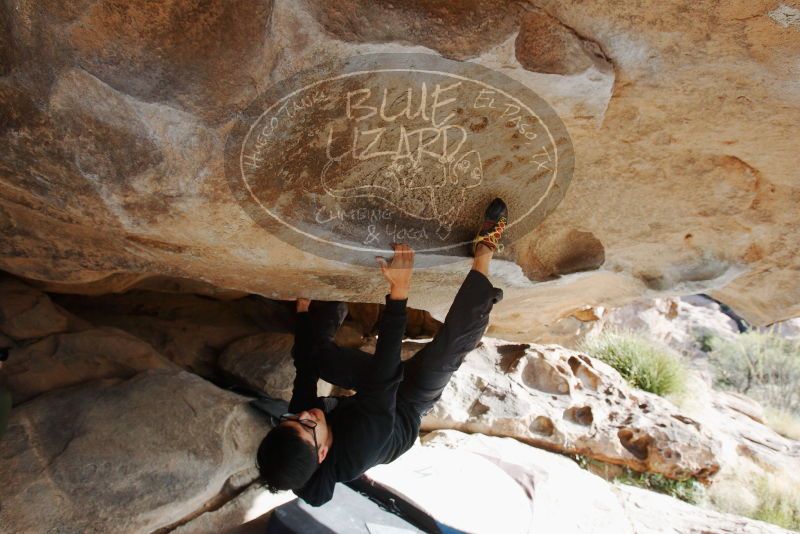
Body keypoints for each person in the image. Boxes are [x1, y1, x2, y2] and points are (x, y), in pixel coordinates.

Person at [256, 198, 509, 506]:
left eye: (291, 419)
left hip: (366, 397)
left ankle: (335, 301)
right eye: (307, 425)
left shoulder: (300, 424)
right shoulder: (361, 447)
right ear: (322, 453)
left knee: (314, 356)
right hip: (405, 411)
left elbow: (305, 369)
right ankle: (484, 254)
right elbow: (385, 375)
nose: (305, 415)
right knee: (446, 351)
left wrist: (303, 313)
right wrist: (399, 292)